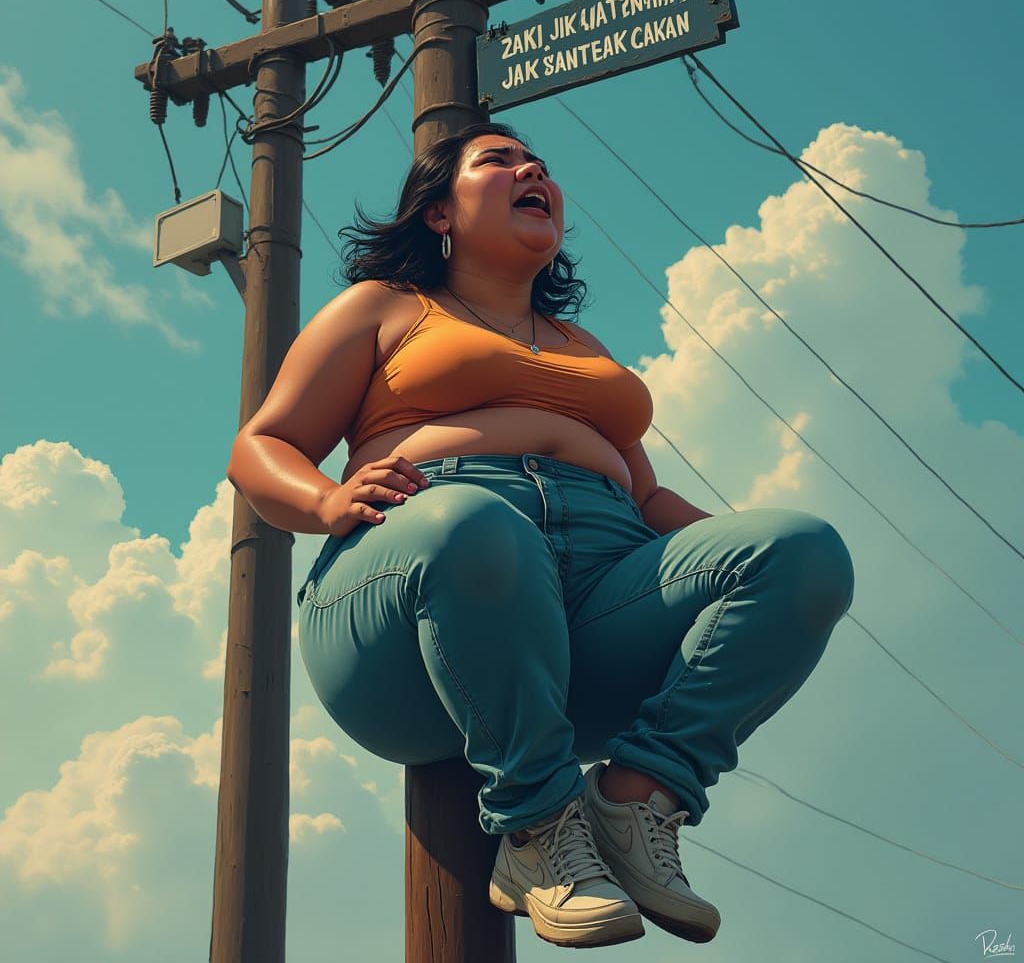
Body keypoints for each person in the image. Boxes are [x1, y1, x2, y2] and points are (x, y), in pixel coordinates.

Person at [226, 121, 856, 950]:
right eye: (498, 162)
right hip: (409, 585)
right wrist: (326, 500)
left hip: (588, 598)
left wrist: (766, 576)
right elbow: (259, 448)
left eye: (541, 167)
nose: (531, 170)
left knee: (804, 548)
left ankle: (637, 796)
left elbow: (648, 495)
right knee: (481, 525)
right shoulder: (386, 307)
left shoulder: (581, 348)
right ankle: (537, 831)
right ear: (439, 214)